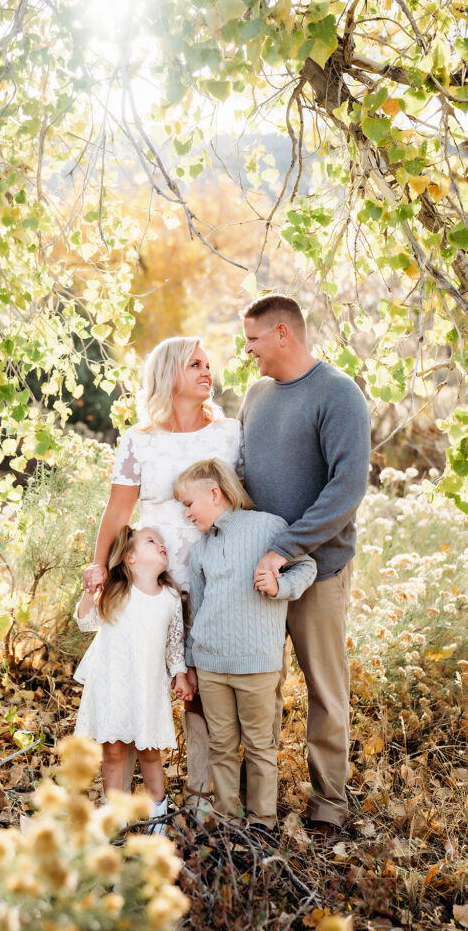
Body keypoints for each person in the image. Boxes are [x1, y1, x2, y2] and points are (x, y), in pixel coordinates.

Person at [82, 336, 243, 807]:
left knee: (202, 691)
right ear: (169, 373)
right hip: (154, 588)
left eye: (208, 364)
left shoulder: (230, 433)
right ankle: (125, 804)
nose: (206, 371)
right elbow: (116, 515)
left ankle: (202, 796)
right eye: (195, 364)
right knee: (141, 682)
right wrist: (100, 567)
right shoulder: (139, 441)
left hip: (218, 580)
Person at [240, 294, 371, 838]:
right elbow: (243, 472)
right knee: (259, 685)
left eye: (253, 341)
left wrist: (286, 547)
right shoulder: (255, 395)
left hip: (320, 570)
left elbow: (347, 489)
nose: (247, 352)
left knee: (324, 688)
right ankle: (259, 804)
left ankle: (328, 807)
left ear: (282, 334)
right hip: (261, 572)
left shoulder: (338, 394)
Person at [173, 459, 316, 826]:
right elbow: (199, 608)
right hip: (210, 665)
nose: (186, 514)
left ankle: (262, 822)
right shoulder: (202, 549)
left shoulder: (268, 527)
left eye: (188, 504)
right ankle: (227, 822)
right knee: (221, 745)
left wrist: (280, 586)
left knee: (259, 746)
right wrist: (189, 664)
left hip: (256, 663)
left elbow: (306, 566)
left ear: (215, 493)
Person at [74, 526, 193, 831]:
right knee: (113, 753)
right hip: (112, 684)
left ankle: (157, 823)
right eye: (152, 541)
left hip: (147, 687)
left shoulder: (169, 597)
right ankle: (116, 821)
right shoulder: (117, 592)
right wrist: (90, 592)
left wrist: (179, 674)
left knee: (150, 753)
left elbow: (173, 644)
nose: (161, 544)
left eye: (162, 541)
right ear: (130, 557)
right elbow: (86, 622)